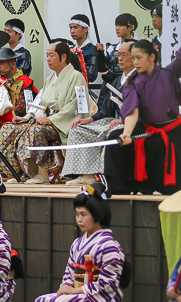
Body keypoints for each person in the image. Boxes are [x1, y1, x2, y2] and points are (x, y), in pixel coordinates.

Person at [20, 182, 127, 302]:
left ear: (98, 215)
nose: (79, 219)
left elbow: (107, 284)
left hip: (101, 298)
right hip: (80, 293)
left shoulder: (110, 246)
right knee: (42, 300)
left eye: (84, 214)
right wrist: (65, 286)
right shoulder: (77, 243)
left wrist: (74, 291)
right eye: (77, 214)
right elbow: (70, 271)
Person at [0, 41, 93, 184]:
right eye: (47, 56)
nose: (48, 59)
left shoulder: (76, 76)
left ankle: (41, 174)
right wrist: (27, 117)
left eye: (51, 55)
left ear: (64, 57)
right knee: (10, 128)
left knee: (36, 130)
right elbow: (40, 103)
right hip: (45, 120)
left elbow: (77, 106)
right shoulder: (50, 79)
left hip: (63, 123)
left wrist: (52, 120)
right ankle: (18, 173)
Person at [105, 40, 181, 195]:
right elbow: (133, 111)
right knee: (115, 139)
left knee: (170, 188)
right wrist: (126, 132)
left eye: (139, 57)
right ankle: (119, 190)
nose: (135, 62)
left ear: (152, 57)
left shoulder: (169, 74)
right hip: (149, 132)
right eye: (133, 58)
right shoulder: (132, 83)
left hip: (174, 132)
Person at [62, 41, 132, 184]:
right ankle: (85, 175)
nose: (120, 58)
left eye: (125, 55)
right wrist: (90, 119)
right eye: (119, 55)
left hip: (130, 123)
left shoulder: (141, 80)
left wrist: (125, 120)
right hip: (112, 120)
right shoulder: (117, 80)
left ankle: (109, 176)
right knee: (79, 129)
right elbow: (106, 109)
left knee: (113, 131)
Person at [0, 47, 38, 135]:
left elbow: (25, 109)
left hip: (17, 126)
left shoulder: (25, 82)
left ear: (13, 64)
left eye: (1, 63)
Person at [98, 13, 136, 82]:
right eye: (116, 25)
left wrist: (111, 74)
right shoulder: (113, 48)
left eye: (121, 25)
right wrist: (100, 52)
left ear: (130, 28)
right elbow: (105, 67)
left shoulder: (137, 47)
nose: (117, 28)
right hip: (111, 83)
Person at [68, 14, 99, 89]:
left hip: (81, 89)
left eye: (76, 28)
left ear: (85, 29)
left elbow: (91, 75)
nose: (72, 31)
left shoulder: (92, 50)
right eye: (70, 28)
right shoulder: (70, 50)